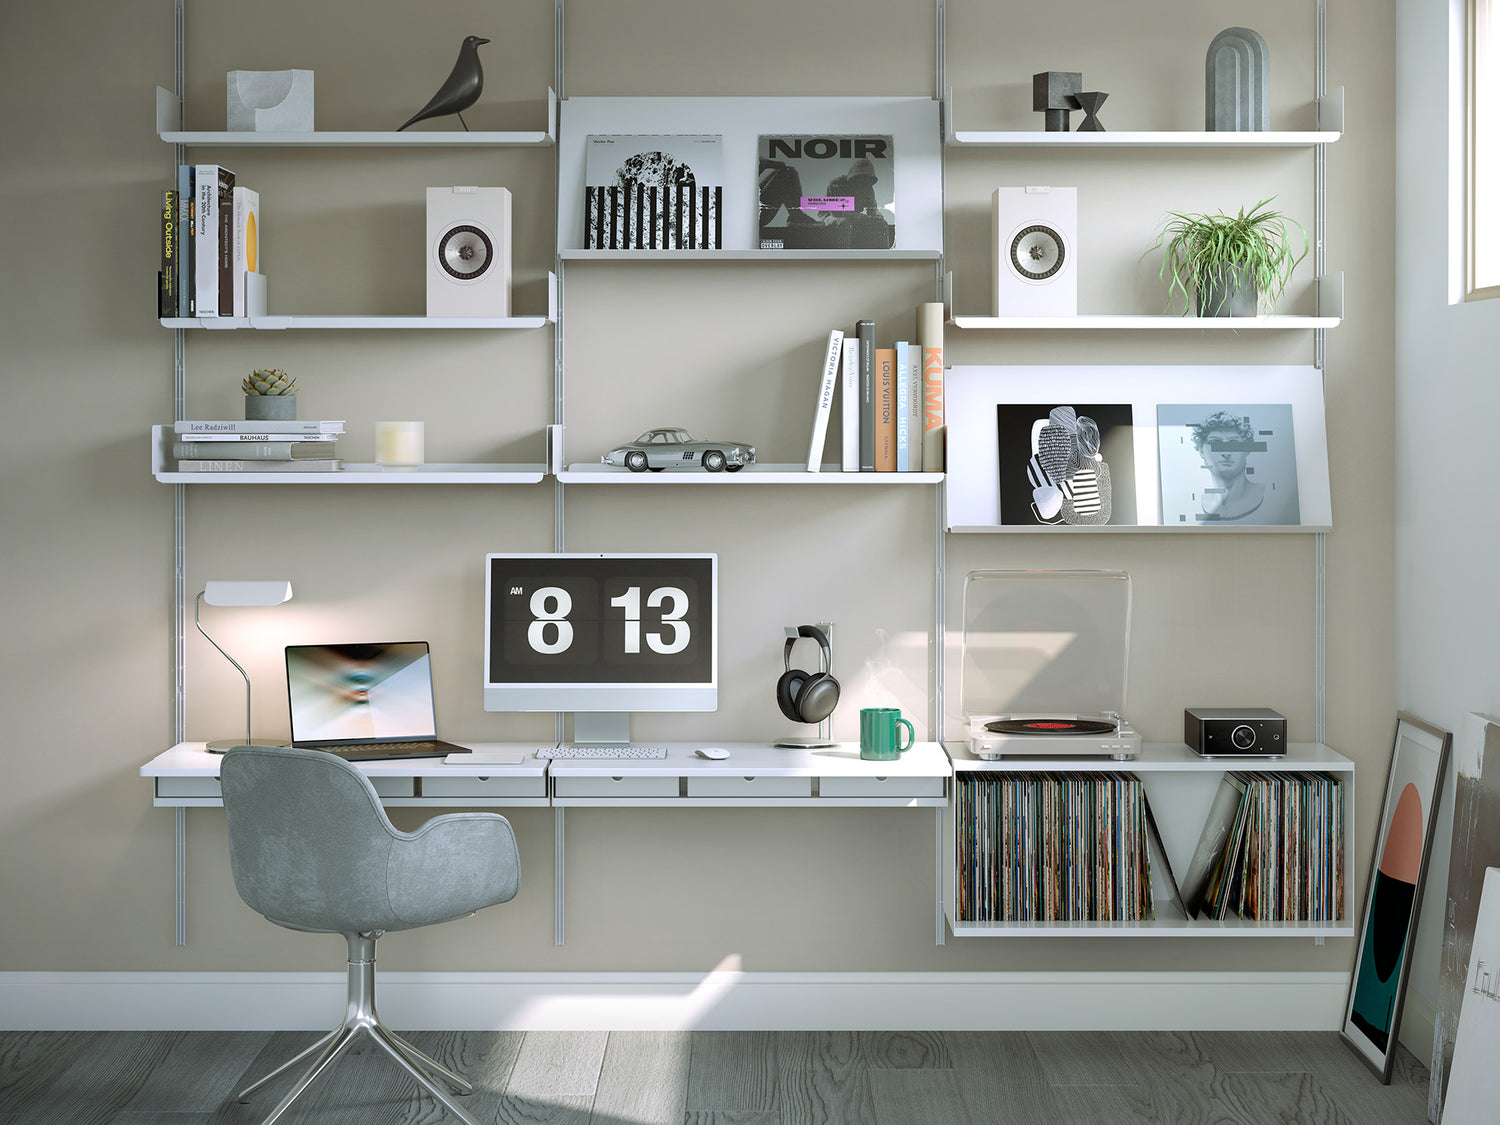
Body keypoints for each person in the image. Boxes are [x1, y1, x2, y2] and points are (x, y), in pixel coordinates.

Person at [1191, 410, 1264, 520]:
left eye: (1234, 444)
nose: (1225, 452)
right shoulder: (1190, 504)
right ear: (1201, 451)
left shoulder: (1273, 497)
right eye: (1215, 443)